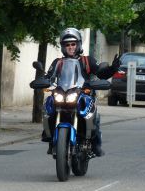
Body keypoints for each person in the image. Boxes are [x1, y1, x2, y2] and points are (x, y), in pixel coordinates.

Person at [41, 27, 120, 157]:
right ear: (63, 47)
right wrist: (42, 80)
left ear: (78, 45)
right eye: (67, 45)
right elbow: (49, 76)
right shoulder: (58, 62)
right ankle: (49, 137)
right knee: (48, 104)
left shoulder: (87, 61)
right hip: (63, 94)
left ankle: (95, 145)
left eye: (73, 44)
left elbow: (101, 73)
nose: (71, 47)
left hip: (83, 95)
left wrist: (112, 69)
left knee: (94, 116)